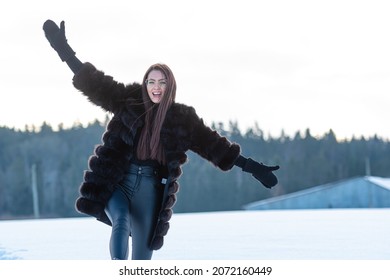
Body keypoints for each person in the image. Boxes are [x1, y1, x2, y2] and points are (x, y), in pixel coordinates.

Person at [42, 19, 280, 260]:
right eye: (151, 81)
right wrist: (64, 50)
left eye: (162, 82)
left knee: (142, 259)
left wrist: (252, 167)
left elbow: (215, 147)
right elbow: (94, 83)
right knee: (121, 223)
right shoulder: (128, 100)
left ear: (170, 87)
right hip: (119, 182)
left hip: (150, 190)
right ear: (145, 84)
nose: (156, 87)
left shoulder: (183, 119)